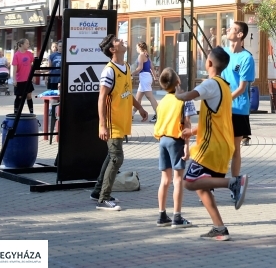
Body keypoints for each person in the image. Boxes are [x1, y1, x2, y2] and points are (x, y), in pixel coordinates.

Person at [175, 47, 249, 241]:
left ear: (209, 63)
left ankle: (233, 182)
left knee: (189, 183)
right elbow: (213, 119)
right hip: (222, 146)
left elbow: (187, 96)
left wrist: (177, 93)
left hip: (210, 147)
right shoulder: (225, 86)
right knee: (202, 186)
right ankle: (219, 228)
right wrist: (192, 131)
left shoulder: (210, 84)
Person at [91, 35, 149, 211]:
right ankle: (104, 199)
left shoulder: (127, 67)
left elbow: (126, 93)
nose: (122, 40)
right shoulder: (109, 71)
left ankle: (97, 191)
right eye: (117, 41)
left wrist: (139, 108)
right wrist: (102, 124)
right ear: (113, 49)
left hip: (121, 121)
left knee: (111, 156)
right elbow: (101, 98)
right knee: (117, 158)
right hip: (111, 122)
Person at [154, 67, 196, 228]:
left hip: (162, 140)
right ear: (178, 82)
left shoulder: (162, 101)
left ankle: (162, 215)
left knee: (165, 180)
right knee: (178, 179)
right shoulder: (184, 99)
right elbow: (187, 123)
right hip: (176, 140)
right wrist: (187, 145)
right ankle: (177, 217)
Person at [224, 21, 255, 181]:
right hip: (220, 109)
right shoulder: (221, 53)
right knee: (220, 147)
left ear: (240, 34)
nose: (228, 30)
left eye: (232, 29)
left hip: (237, 108)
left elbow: (242, 87)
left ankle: (235, 183)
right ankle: (213, 184)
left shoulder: (246, 58)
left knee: (235, 149)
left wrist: (226, 99)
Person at [135, 42, 159, 123]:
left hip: (144, 77)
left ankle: (159, 115)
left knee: (150, 97)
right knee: (138, 98)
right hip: (146, 77)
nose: (136, 49)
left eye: (136, 47)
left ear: (139, 47)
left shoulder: (141, 55)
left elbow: (140, 68)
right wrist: (155, 77)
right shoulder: (146, 55)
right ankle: (131, 114)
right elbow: (152, 67)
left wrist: (130, 74)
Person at [12, 39, 35, 114]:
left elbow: (32, 65)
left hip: (28, 79)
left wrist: (33, 76)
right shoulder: (16, 55)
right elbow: (14, 69)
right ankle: (16, 113)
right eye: (27, 43)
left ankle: (31, 112)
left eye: (28, 43)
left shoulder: (29, 54)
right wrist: (14, 79)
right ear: (21, 45)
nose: (28, 45)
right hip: (19, 79)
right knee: (20, 97)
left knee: (29, 96)